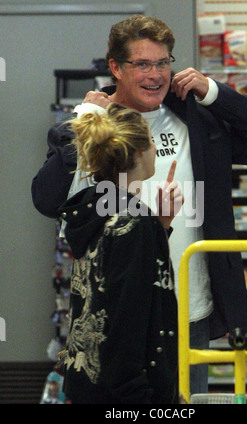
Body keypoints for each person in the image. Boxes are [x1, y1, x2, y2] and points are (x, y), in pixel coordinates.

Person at [32, 14, 247, 395]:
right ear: (116, 67)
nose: (155, 74)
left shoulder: (195, 118)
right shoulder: (92, 125)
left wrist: (215, 91)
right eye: (143, 64)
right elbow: (46, 200)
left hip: (189, 309)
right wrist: (84, 121)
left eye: (163, 62)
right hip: (115, 315)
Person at [58, 102, 182, 404]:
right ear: (138, 153)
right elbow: (127, 325)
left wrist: (161, 225)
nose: (156, 149)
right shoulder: (134, 222)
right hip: (125, 395)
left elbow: (110, 281)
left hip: (87, 383)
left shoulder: (94, 206)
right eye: (151, 141)